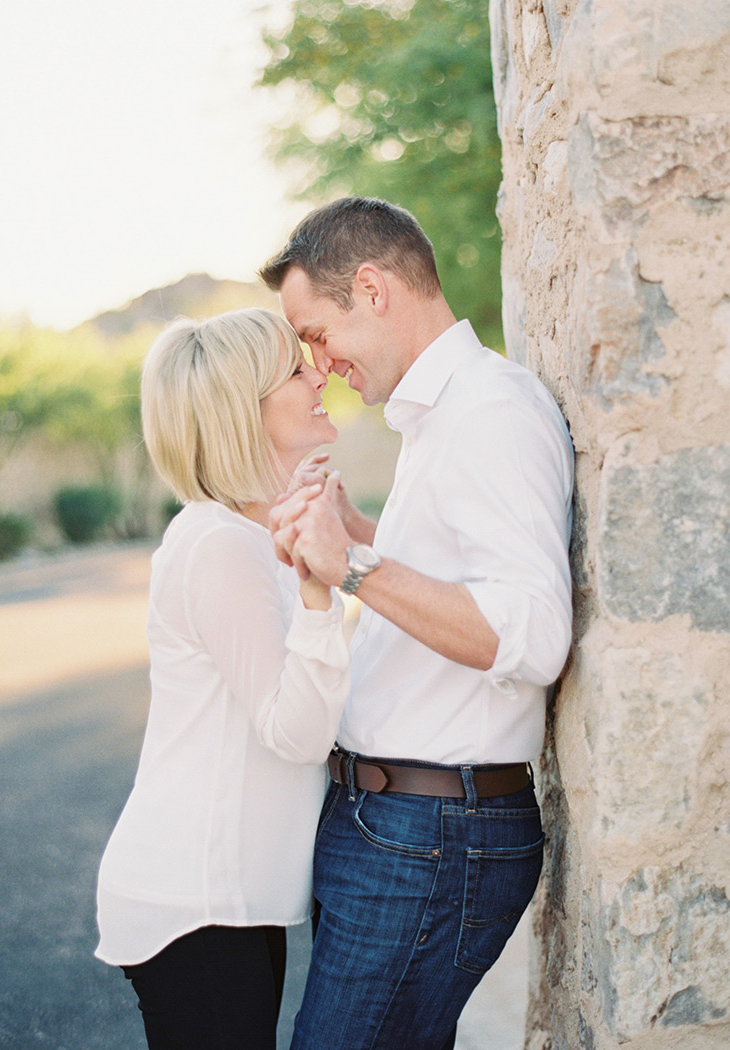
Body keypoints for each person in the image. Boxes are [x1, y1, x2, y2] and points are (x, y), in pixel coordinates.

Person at [259, 197, 575, 1050]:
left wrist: (354, 565)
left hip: (431, 838)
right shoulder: (442, 419)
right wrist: (361, 533)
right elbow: (457, 585)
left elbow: (533, 634)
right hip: (400, 831)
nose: (319, 368)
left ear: (372, 288)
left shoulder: (490, 413)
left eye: (319, 334)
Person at [94, 308, 350, 1050]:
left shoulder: (244, 535)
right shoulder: (218, 545)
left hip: (229, 901)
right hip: (195, 901)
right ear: (246, 410)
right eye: (297, 371)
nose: (321, 372)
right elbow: (297, 732)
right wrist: (317, 592)